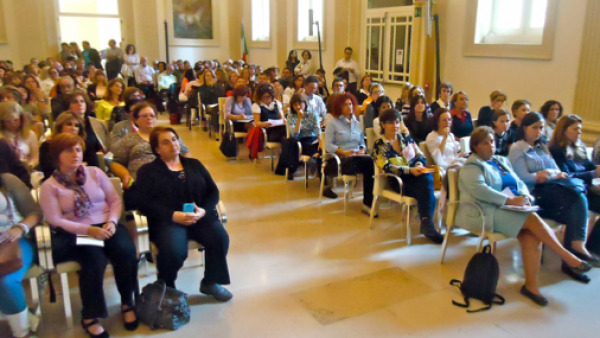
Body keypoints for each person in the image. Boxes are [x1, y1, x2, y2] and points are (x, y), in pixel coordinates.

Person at [458, 127, 592, 305]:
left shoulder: (500, 160)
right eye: (485, 143)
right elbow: (481, 191)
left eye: (492, 141)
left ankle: (531, 286)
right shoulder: (471, 166)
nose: (491, 146)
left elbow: (519, 182)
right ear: (475, 146)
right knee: (531, 219)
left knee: (530, 235)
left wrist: (526, 197)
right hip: (485, 211)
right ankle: (567, 256)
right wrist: (509, 201)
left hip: (509, 208)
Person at [39, 133, 139, 337]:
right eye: (69, 150)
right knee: (94, 260)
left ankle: (127, 303)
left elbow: (115, 201)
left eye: (78, 149)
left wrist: (111, 222)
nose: (75, 154)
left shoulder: (94, 173)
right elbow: (55, 220)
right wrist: (88, 230)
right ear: (57, 156)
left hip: (106, 224)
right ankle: (90, 316)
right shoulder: (50, 186)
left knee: (125, 251)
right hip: (77, 231)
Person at [136, 127, 232, 299]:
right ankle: (167, 288)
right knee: (174, 249)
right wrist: (173, 215)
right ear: (157, 149)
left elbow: (213, 192)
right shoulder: (147, 172)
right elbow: (143, 203)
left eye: (174, 139)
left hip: (199, 217)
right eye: (166, 142)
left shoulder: (194, 164)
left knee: (220, 238)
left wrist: (202, 210)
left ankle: (211, 282)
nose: (173, 144)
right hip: (168, 220)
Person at [509, 112, 599, 282]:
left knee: (576, 203)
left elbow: (556, 170)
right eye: (534, 127)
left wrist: (550, 174)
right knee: (577, 196)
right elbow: (522, 177)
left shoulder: (542, 147)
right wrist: (546, 175)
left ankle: (572, 261)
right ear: (524, 128)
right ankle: (577, 247)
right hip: (535, 194)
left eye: (541, 127)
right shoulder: (517, 148)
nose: (538, 131)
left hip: (552, 189)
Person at [372, 109, 443, 243]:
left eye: (398, 122)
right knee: (427, 185)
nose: (395, 126)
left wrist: (417, 165)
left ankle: (426, 223)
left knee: (426, 179)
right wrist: (409, 170)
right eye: (391, 123)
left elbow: (420, 155)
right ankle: (427, 223)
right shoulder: (379, 145)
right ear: (383, 124)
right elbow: (386, 166)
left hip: (416, 175)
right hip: (398, 180)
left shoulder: (406, 138)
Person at [110, 102, 189, 209]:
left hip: (169, 177)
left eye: (152, 115)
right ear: (136, 119)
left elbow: (185, 153)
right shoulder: (129, 139)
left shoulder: (167, 135)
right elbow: (116, 162)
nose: (149, 118)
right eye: (144, 116)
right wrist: (125, 175)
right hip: (141, 182)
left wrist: (186, 169)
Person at [549, 114, 600, 252]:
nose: (580, 132)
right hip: (570, 192)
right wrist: (594, 174)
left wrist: (595, 172)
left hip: (584, 188)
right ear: (564, 130)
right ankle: (590, 249)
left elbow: (589, 167)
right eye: (575, 129)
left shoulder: (580, 147)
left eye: (580, 129)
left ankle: (594, 248)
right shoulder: (556, 150)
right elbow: (566, 177)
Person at [0, 173, 42, 337]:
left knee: (5, 281)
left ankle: (22, 332)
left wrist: (19, 228)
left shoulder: (7, 180)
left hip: (15, 242)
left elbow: (35, 213)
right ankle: (22, 316)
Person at [323, 93, 374, 214]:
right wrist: (344, 152)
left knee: (371, 165)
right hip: (340, 160)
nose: (349, 107)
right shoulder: (332, 122)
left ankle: (368, 203)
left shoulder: (357, 123)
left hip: (357, 158)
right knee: (369, 164)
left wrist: (362, 149)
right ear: (339, 107)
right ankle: (368, 203)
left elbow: (362, 141)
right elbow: (328, 146)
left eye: (350, 104)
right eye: (345, 104)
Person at [39, 112, 94, 180]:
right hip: (56, 183)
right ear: (60, 127)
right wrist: (79, 167)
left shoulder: (87, 145)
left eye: (77, 126)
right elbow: (49, 171)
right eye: (69, 124)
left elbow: (93, 169)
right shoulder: (47, 146)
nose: (73, 128)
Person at [280, 93, 321, 179]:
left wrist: (320, 141)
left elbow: (318, 129)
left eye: (300, 103)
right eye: (295, 104)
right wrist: (299, 118)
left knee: (321, 145)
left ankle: (315, 160)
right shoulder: (291, 117)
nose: (298, 106)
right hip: (301, 139)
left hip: (313, 138)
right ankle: (314, 159)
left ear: (305, 104)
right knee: (309, 146)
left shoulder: (312, 114)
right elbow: (295, 134)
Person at [426, 108, 465, 177]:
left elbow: (454, 152)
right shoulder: (432, 137)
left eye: (449, 120)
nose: (447, 123)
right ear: (437, 122)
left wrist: (460, 154)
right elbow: (438, 159)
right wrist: (444, 138)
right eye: (444, 120)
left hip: (455, 164)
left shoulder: (451, 135)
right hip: (446, 169)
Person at [0, 102, 39, 170]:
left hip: (25, 170)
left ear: (21, 119)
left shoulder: (30, 134)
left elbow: (35, 157)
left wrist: (30, 165)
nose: (13, 124)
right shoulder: (1, 136)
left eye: (15, 120)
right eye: (8, 122)